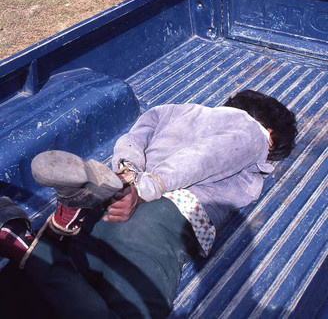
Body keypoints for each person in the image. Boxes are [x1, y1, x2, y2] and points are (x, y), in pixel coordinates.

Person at [0, 90, 297, 318]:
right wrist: (145, 190)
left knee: (25, 298)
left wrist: (128, 173)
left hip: (114, 199)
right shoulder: (252, 132)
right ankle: (32, 249)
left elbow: (133, 138)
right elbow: (204, 157)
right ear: (271, 134)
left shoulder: (179, 110)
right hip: (161, 216)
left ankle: (48, 235)